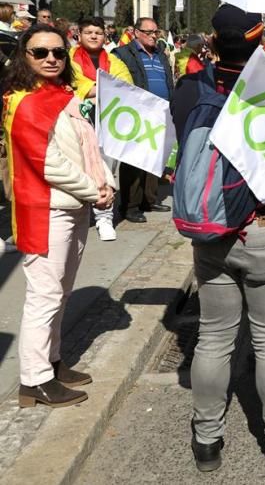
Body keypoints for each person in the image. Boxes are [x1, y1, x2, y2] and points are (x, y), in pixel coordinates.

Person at [172, 5, 265, 475]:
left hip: (211, 231)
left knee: (213, 337)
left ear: (212, 43)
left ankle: (206, 440)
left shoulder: (189, 88)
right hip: (262, 229)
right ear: (262, 43)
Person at [3, 23, 115, 408]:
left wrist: (106, 181)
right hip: (45, 209)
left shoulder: (63, 95)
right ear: (24, 56)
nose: (51, 58)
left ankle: (51, 360)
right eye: (40, 52)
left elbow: (89, 146)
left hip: (75, 205)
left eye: (57, 52)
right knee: (44, 295)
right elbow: (46, 163)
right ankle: (33, 380)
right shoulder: (24, 102)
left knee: (60, 291)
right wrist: (93, 189)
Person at [71, 16, 133, 241]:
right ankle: (80, 212)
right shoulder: (70, 58)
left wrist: (96, 89)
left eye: (98, 33)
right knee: (79, 167)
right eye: (89, 32)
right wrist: (103, 87)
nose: (94, 36)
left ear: (105, 36)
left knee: (106, 167)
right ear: (79, 34)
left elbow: (125, 84)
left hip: (109, 120)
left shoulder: (114, 60)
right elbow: (75, 85)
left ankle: (104, 216)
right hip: (78, 120)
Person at [113, 18, 173, 222]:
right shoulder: (122, 54)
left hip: (160, 112)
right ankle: (129, 206)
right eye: (148, 32)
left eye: (156, 32)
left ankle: (150, 199)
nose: (153, 35)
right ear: (136, 32)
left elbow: (168, 81)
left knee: (155, 158)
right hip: (136, 113)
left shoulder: (160, 54)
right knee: (134, 161)